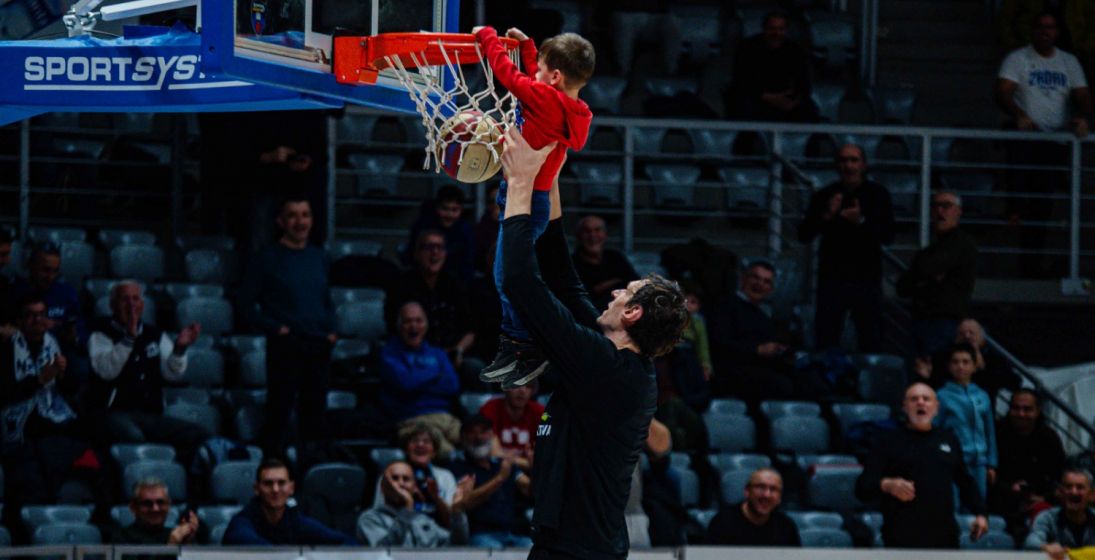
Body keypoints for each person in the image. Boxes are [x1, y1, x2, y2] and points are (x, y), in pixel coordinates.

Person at [497, 127, 689, 559]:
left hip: (577, 552)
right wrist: (549, 170)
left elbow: (521, 282)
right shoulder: (616, 359)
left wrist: (520, 185)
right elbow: (563, 276)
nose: (614, 294)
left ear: (633, 314)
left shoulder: (604, 368)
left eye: (624, 293)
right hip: (573, 546)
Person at [473, 24, 593, 388]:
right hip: (533, 201)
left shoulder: (544, 98)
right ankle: (516, 342)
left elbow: (509, 75)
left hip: (525, 201)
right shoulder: (573, 108)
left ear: (554, 76)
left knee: (504, 276)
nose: (536, 73)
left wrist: (487, 36)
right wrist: (529, 46)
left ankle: (522, 343)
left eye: (542, 69)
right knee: (508, 275)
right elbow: (533, 79)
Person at [237, 195, 336, 462]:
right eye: (293, 215)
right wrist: (276, 329)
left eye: (305, 215)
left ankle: (312, 476)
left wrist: (331, 330)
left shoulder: (319, 257)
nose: (300, 221)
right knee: (279, 414)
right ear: (280, 221)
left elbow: (325, 298)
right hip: (287, 345)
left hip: (318, 345)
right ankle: (275, 475)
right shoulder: (266, 258)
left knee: (315, 417)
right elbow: (245, 305)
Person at [996, 12, 1092, 276]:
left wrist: (1083, 117)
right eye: (1040, 27)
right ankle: (1013, 210)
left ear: (1058, 32)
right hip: (1027, 139)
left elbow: (1083, 95)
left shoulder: (1069, 62)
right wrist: (1019, 114)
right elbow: (1003, 90)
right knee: (1028, 196)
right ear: (1032, 30)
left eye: (1050, 27)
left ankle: (1032, 265)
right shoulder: (1018, 59)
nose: (1045, 31)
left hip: (1055, 142)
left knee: (1042, 207)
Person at [0, 295, 91, 544]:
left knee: (86, 430)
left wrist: (62, 375)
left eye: (42, 315)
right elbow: (6, 393)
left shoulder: (55, 343)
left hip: (52, 414)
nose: (37, 320)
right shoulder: (6, 348)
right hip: (17, 417)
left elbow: (70, 390)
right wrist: (40, 378)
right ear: (19, 320)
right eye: (30, 315)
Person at [856, 382, 989, 548]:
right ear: (905, 407)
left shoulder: (948, 439)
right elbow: (863, 487)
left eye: (926, 399)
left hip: (944, 537)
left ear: (936, 408)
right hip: (901, 537)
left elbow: (965, 481)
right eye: (914, 399)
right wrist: (887, 484)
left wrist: (981, 513)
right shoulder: (887, 441)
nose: (920, 402)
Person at [87, 281, 207, 457]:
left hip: (150, 415)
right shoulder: (100, 334)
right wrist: (129, 339)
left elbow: (173, 375)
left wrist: (179, 349)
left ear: (142, 305)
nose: (131, 305)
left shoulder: (155, 335)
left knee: (197, 434)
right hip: (112, 413)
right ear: (112, 306)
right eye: (124, 299)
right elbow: (107, 371)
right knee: (135, 438)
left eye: (135, 299)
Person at [798, 144, 895, 352]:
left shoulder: (878, 194)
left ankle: (868, 382)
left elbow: (888, 235)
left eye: (853, 160)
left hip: (866, 278)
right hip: (832, 278)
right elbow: (803, 234)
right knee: (826, 338)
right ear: (836, 165)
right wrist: (827, 215)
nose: (848, 165)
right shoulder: (825, 195)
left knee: (871, 339)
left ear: (864, 164)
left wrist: (860, 220)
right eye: (843, 160)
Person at [385, 230, 477, 380]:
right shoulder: (401, 285)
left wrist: (458, 350)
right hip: (413, 353)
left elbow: (471, 330)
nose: (435, 253)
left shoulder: (456, 285)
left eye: (440, 248)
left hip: (452, 354)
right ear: (416, 253)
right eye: (429, 247)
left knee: (475, 369)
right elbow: (394, 327)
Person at [897, 191, 978, 357]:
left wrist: (921, 278)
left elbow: (924, 271)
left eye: (946, 206)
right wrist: (928, 278)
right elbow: (903, 286)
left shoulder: (963, 244)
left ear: (958, 211)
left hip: (945, 323)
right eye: (936, 206)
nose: (940, 211)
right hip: (920, 321)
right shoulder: (929, 251)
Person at [377, 301, 462, 456]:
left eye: (418, 321)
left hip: (446, 418)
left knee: (481, 443)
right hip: (413, 420)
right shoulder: (388, 354)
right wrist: (435, 373)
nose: (413, 326)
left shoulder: (437, 353)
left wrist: (418, 377)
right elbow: (406, 383)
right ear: (399, 326)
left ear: (426, 325)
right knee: (450, 455)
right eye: (408, 321)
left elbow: (452, 386)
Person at [705, 261, 794, 403]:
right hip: (731, 375)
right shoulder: (724, 306)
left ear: (770, 289)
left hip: (759, 372)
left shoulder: (763, 316)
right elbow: (718, 345)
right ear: (744, 278)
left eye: (766, 281)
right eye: (755, 278)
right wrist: (757, 350)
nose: (760, 284)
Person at [223, 458, 357, 545]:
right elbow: (261, 552)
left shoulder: (295, 521)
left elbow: (344, 542)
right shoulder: (241, 523)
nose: (275, 489)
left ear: (291, 488)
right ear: (257, 489)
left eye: (281, 483)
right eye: (268, 484)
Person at [993, 389, 1066, 541]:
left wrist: (1042, 497)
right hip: (1001, 501)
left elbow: (1059, 475)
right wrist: (1010, 489)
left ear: (1038, 411)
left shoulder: (1049, 437)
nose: (1021, 414)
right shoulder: (996, 433)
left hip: (1040, 502)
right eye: (1016, 408)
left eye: (1027, 409)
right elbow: (988, 474)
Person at [450, 414, 532, 548]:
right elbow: (463, 504)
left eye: (484, 432)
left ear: (493, 436)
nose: (478, 437)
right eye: (472, 433)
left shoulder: (502, 464)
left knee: (534, 549)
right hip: (481, 535)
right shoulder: (457, 467)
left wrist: (536, 469)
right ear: (463, 438)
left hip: (515, 533)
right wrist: (499, 479)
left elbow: (530, 490)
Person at [370, 423, 472, 531]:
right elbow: (378, 517)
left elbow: (451, 523)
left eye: (427, 441)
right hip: (400, 537)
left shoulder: (445, 476)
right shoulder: (390, 476)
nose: (420, 445)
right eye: (414, 441)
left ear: (434, 451)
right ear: (406, 449)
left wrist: (436, 498)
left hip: (437, 538)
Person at [935, 343, 998, 505]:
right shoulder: (941, 396)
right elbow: (935, 430)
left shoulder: (983, 395)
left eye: (965, 362)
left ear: (974, 365)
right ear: (949, 366)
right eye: (955, 362)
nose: (960, 366)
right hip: (953, 462)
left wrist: (991, 463)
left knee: (978, 507)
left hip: (979, 463)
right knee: (953, 506)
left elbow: (990, 432)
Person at [728, 11, 818, 122]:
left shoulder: (795, 50)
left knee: (809, 110)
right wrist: (768, 97)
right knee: (742, 106)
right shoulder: (748, 47)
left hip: (784, 97)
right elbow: (741, 80)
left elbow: (803, 81)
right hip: (756, 96)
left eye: (781, 29)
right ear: (764, 28)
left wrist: (793, 100)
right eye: (772, 28)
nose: (776, 33)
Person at [356, 460, 466, 547]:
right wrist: (407, 510)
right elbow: (383, 551)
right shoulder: (370, 519)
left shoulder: (422, 520)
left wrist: (457, 511)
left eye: (406, 479)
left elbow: (457, 546)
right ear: (383, 487)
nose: (401, 483)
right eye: (395, 478)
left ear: (414, 488)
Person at [10, 243, 83, 350]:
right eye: (46, 270)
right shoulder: (15, 292)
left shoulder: (67, 293)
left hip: (60, 350)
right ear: (31, 266)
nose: (51, 277)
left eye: (55, 271)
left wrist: (70, 334)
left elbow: (79, 328)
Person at [706, 468, 800, 546]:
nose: (767, 495)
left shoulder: (786, 527)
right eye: (761, 487)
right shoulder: (723, 522)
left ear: (779, 498)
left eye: (773, 489)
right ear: (747, 491)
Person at [405, 185, 477, 283]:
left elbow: (467, 263)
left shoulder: (465, 231)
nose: (449, 215)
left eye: (454, 210)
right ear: (437, 208)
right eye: (445, 209)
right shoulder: (422, 227)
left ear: (461, 210)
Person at [571, 215, 639, 311]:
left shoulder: (616, 257)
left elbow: (636, 283)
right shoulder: (571, 263)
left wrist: (602, 286)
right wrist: (617, 281)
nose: (592, 235)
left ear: (605, 234)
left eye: (597, 230)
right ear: (578, 236)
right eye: (587, 231)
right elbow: (583, 295)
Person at [1024, 469, 1095, 558]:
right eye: (1068, 487)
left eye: (1080, 487)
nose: (1074, 492)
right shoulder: (1047, 517)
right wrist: (1045, 547)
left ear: (1092, 495)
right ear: (1060, 492)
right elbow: (1031, 541)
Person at [112, 478, 199, 545]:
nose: (155, 509)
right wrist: (171, 548)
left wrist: (189, 544)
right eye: (147, 503)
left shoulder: (177, 536)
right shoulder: (120, 539)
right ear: (133, 507)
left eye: (160, 502)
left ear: (169, 505)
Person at [479, 383, 544, 471]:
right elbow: (494, 454)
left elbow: (545, 456)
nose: (522, 390)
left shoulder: (542, 413)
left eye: (528, 386)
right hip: (496, 470)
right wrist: (528, 464)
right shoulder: (490, 408)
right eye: (517, 384)